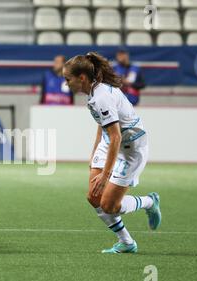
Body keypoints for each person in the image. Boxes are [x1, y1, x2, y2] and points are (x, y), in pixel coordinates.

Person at [63, 52, 161, 254]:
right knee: (93, 197)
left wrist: (105, 174)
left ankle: (150, 202)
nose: (66, 84)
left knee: (109, 205)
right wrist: (94, 154)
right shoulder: (93, 92)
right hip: (111, 142)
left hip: (131, 148)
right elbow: (104, 126)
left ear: (81, 78)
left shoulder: (101, 97)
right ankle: (126, 242)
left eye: (67, 79)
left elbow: (116, 136)